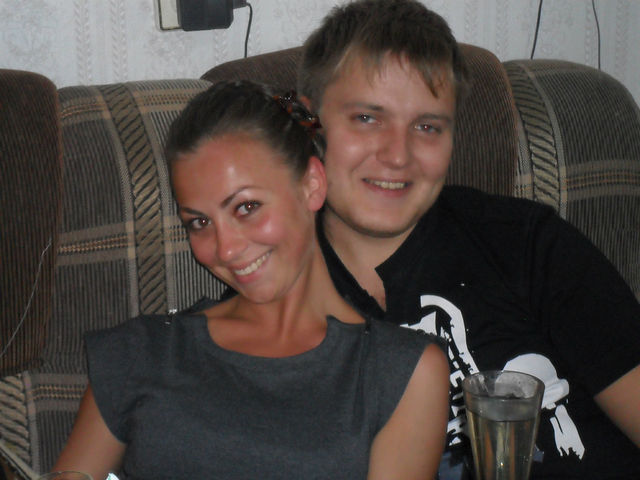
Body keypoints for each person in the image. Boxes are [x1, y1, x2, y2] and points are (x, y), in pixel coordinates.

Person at [297, 0, 640, 479]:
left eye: (427, 127)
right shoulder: (276, 295)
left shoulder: (526, 244)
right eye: (367, 118)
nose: (398, 155)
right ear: (309, 124)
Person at [51, 80, 450, 480]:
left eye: (246, 207)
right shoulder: (141, 352)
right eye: (200, 222)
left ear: (312, 185)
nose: (225, 249)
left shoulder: (399, 373)